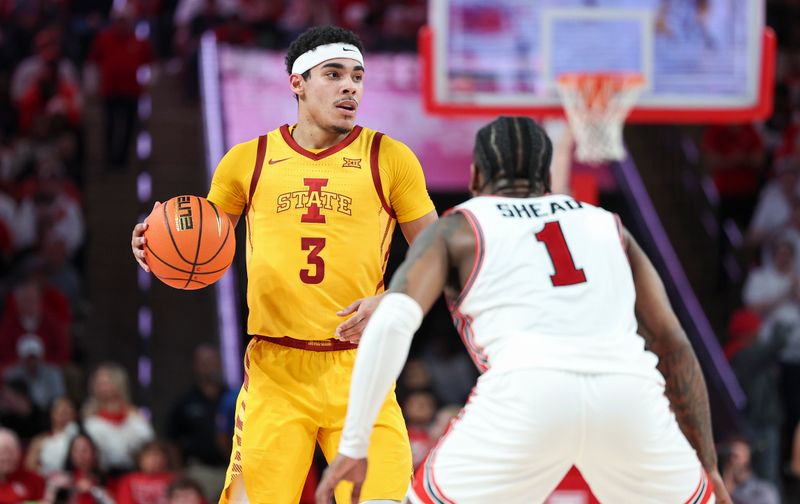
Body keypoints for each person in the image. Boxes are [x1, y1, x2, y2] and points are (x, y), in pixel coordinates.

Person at [316, 116, 731, 503]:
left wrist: (353, 445)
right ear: (547, 178)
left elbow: (391, 323)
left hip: (527, 394)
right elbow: (673, 344)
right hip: (629, 396)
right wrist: (707, 463)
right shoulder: (609, 226)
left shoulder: (458, 227)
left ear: (476, 176)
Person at [130, 25, 437, 503]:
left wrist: (393, 297)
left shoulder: (390, 158)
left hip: (361, 365)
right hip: (276, 367)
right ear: (297, 83)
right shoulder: (245, 160)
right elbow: (199, 247)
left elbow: (435, 253)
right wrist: (157, 249)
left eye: (357, 76)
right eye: (333, 74)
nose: (349, 86)